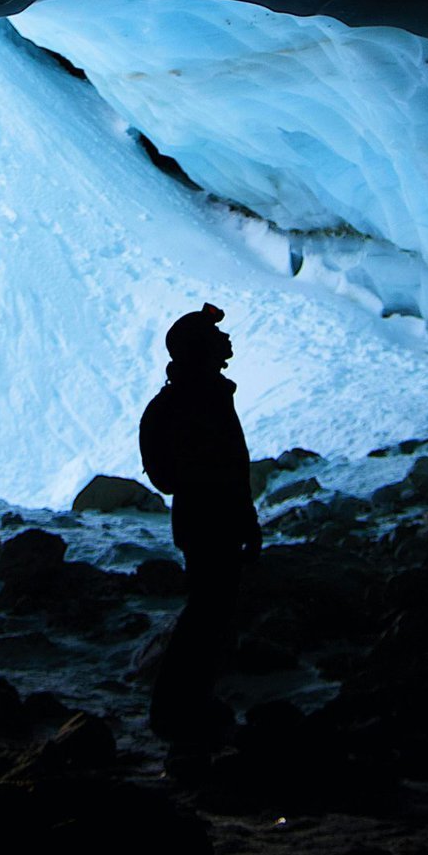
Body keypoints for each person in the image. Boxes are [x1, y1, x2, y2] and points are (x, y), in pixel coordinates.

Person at [140, 302, 262, 749]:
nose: (226, 342)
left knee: (207, 614)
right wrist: (243, 519)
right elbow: (227, 467)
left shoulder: (188, 398)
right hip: (213, 518)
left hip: (202, 518)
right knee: (208, 615)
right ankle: (180, 708)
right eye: (216, 336)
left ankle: (183, 704)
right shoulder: (203, 399)